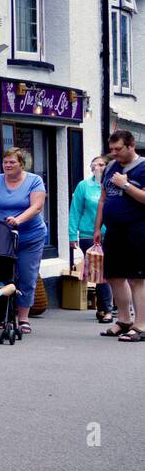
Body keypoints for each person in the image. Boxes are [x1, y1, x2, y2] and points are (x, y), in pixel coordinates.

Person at [0, 148, 47, 335]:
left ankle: (23, 318)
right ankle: (1, 316)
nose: (7, 165)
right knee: (0, 275)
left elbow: (37, 206)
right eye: (5, 162)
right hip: (3, 236)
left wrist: (19, 220)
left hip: (30, 236)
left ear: (21, 164)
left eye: (12, 162)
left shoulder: (34, 181)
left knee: (26, 275)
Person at [93, 130, 145, 342]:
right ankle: (124, 320)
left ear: (131, 146)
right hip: (113, 230)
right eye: (111, 149)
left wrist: (125, 184)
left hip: (137, 229)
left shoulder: (142, 167)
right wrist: (97, 227)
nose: (113, 154)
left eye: (118, 149)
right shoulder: (112, 167)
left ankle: (141, 325)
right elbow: (103, 200)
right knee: (114, 276)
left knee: (137, 278)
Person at [69, 155, 113, 323]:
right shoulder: (84, 186)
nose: (98, 168)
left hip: (112, 232)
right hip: (89, 234)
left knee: (109, 271)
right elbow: (75, 210)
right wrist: (73, 235)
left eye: (101, 165)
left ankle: (106, 306)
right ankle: (106, 309)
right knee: (100, 271)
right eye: (94, 165)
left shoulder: (112, 186)